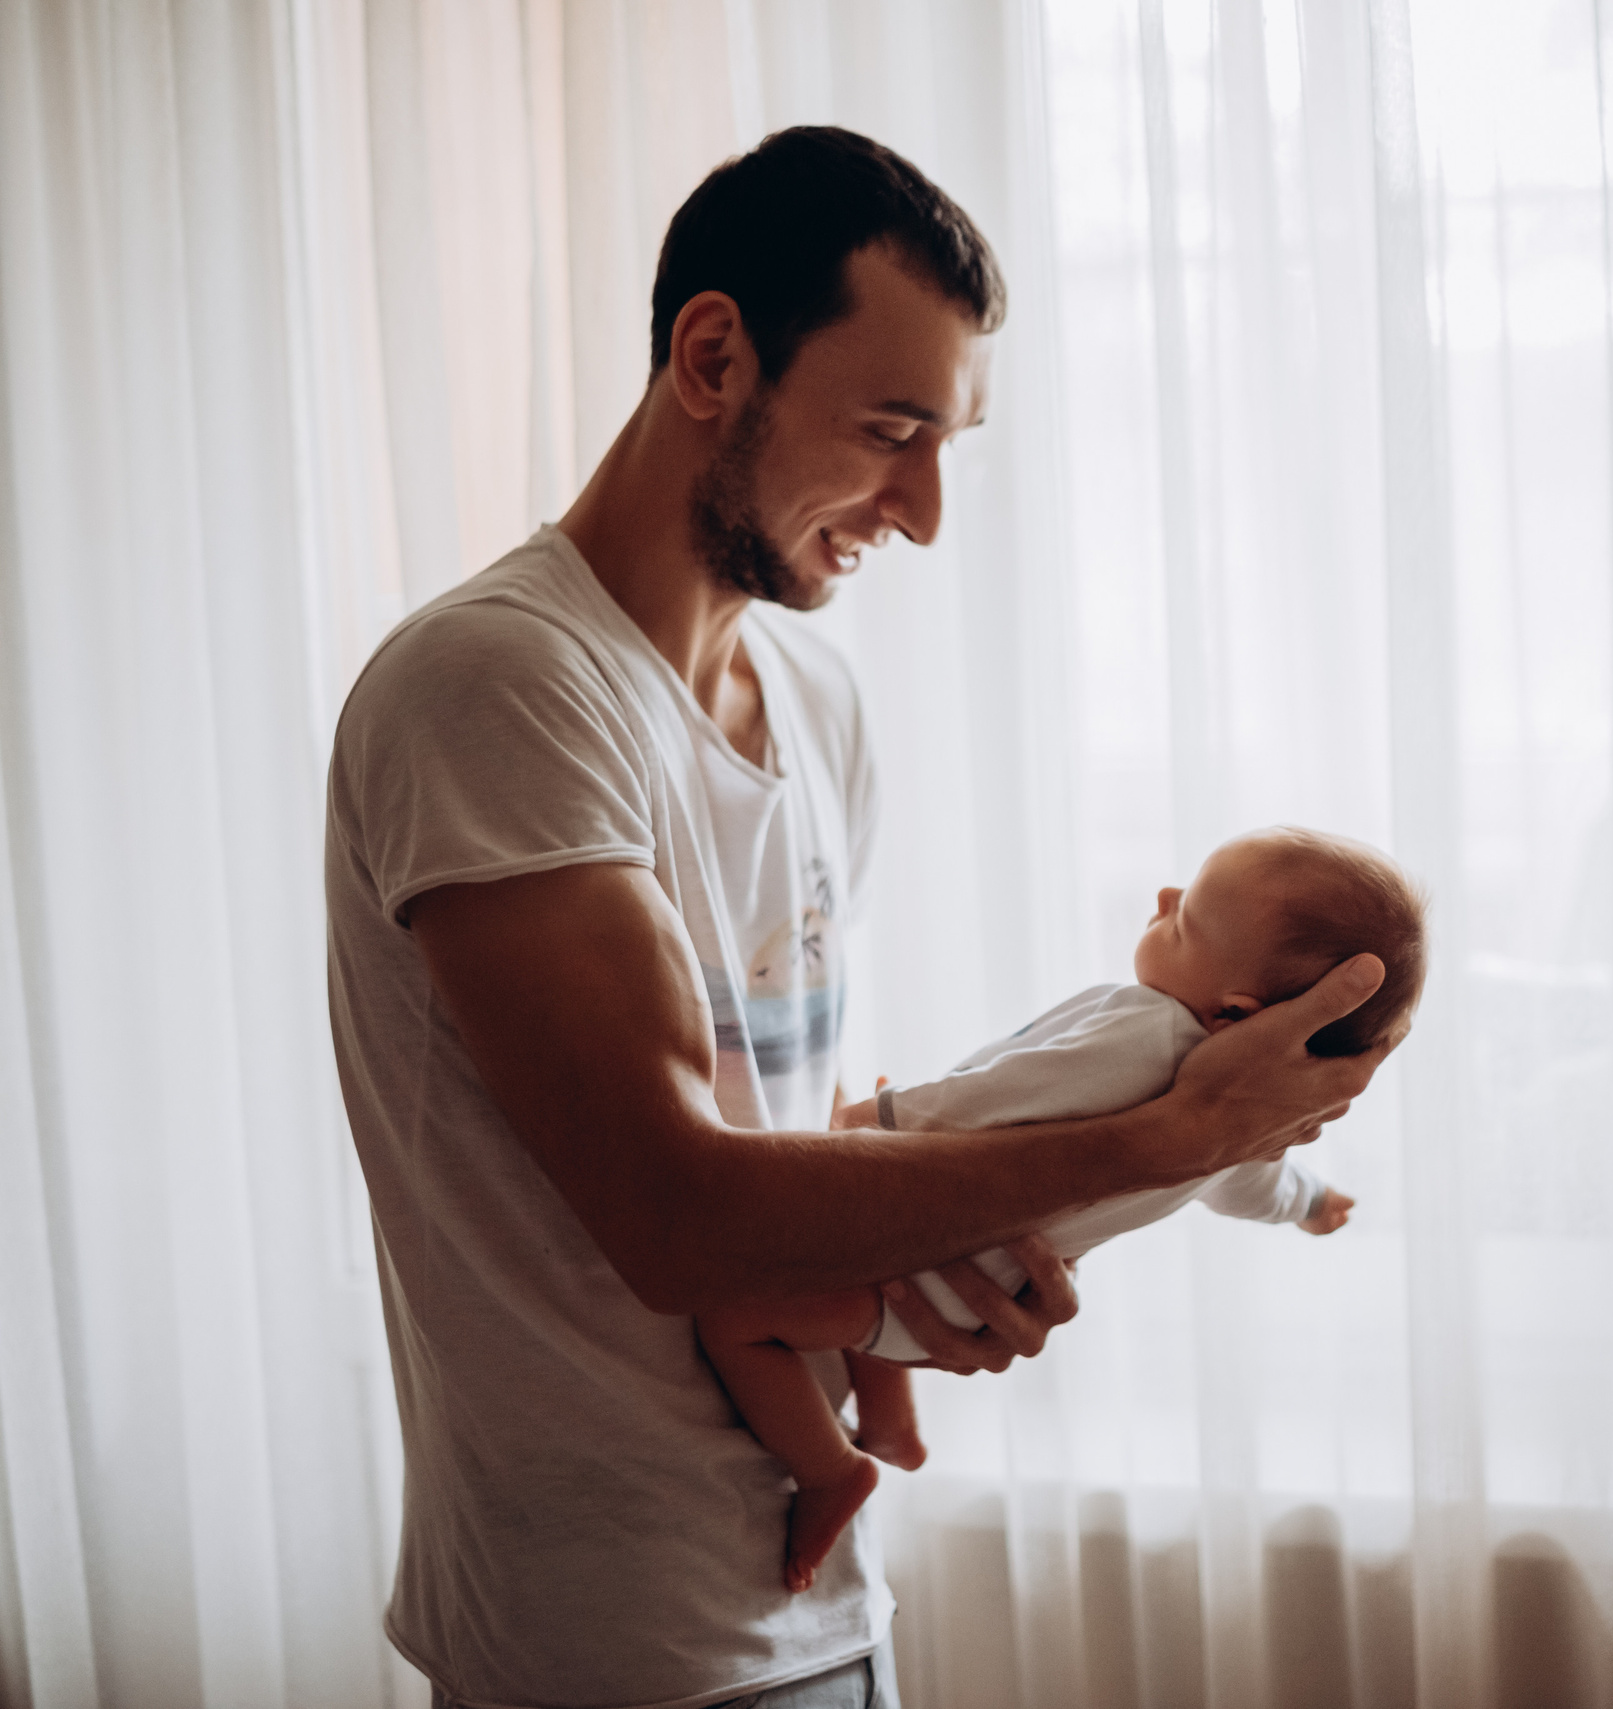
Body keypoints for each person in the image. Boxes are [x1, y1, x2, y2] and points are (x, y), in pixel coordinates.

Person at [324, 126, 1395, 1709]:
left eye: (947, 439)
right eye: (893, 428)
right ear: (712, 355)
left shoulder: (819, 706)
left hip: (826, 1608)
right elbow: (677, 1215)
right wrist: (1166, 1139)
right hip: (606, 1649)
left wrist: (952, 1260)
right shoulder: (501, 688)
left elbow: (788, 1135)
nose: (927, 507)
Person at [697, 826, 1425, 1594]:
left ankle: (829, 1471)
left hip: (935, 1262)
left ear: (1235, 1011)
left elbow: (1003, 1095)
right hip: (983, 1279)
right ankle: (892, 1423)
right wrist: (1310, 1200)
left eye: (1186, 921)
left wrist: (879, 1123)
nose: (1164, 899)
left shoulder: (1146, 1033)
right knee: (868, 1287)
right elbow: (1252, 1189)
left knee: (739, 1316)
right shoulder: (1239, 1116)